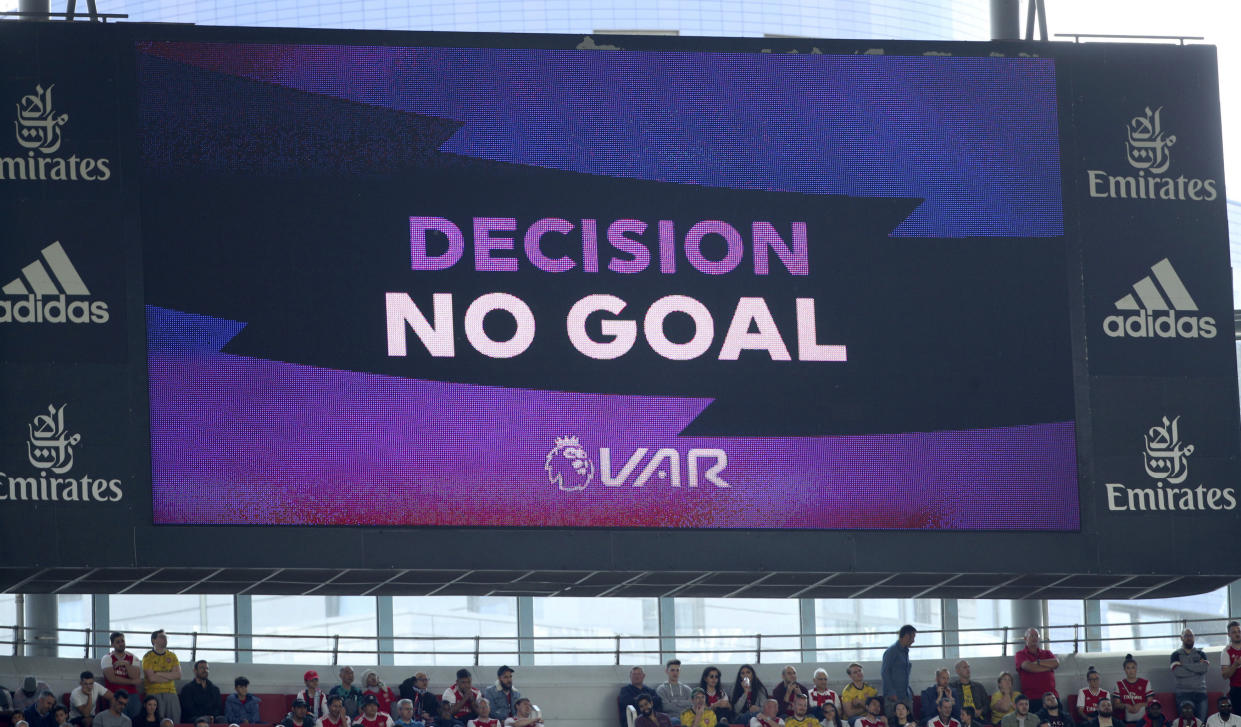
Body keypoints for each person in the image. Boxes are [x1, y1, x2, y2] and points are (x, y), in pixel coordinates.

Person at [142, 630, 182, 725]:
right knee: (158, 721)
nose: (165, 639)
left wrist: (159, 673)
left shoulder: (172, 655)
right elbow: (152, 678)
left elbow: (178, 675)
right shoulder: (148, 657)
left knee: (174, 720)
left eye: (166, 637)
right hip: (154, 692)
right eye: (161, 637)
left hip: (171, 692)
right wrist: (170, 675)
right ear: (153, 640)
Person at [1171, 629, 1210, 722]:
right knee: (1185, 723)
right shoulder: (1175, 655)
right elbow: (1177, 672)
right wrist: (1197, 668)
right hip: (1183, 694)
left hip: (1201, 694)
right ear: (1181, 638)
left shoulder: (1201, 654)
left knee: (1201, 723)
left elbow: (1204, 668)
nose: (1189, 638)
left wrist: (1183, 665)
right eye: (1186, 636)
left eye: (1191, 636)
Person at [103, 634, 144, 719]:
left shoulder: (133, 658)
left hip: (132, 694)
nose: (121, 643)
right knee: (119, 721)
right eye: (118, 642)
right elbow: (112, 678)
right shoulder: (107, 658)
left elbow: (135, 676)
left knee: (137, 720)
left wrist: (126, 664)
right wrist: (132, 682)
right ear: (112, 644)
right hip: (115, 694)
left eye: (122, 641)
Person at [1015, 629, 1059, 703]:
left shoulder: (1047, 653)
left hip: (1051, 696)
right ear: (1025, 638)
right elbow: (1029, 667)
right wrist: (1048, 667)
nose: (1034, 638)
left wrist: (1038, 662)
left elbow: (1056, 663)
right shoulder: (1020, 654)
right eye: (1032, 635)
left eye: (1036, 636)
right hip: (1032, 698)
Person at [883, 626, 917, 721]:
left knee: (909, 721)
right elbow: (885, 672)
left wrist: (909, 689)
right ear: (906, 636)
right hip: (893, 696)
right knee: (893, 721)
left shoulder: (905, 651)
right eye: (912, 637)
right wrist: (891, 692)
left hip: (906, 695)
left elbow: (904, 673)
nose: (913, 641)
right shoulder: (891, 651)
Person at [951, 660, 991, 725]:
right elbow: (949, 706)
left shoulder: (979, 687)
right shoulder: (952, 687)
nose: (968, 669)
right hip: (961, 719)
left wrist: (980, 711)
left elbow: (987, 705)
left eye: (968, 667)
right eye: (965, 667)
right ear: (958, 671)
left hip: (977, 719)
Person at [1116, 655, 1152, 725]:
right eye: (1128, 668)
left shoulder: (1145, 683)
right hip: (1125, 720)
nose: (1131, 671)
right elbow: (1116, 705)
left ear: (1136, 668)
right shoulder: (1119, 684)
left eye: (1133, 667)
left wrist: (1140, 705)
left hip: (1143, 720)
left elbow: (1150, 703)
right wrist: (1126, 705)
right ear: (1124, 669)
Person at [658, 660, 695, 725]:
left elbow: (693, 704)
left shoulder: (687, 689)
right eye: (672, 670)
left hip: (689, 717)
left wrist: (674, 702)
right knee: (676, 721)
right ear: (667, 671)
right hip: (672, 719)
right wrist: (684, 702)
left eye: (677, 670)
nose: (675, 673)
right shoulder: (661, 689)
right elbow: (665, 707)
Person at [1224, 623, 1241, 711]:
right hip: (1237, 690)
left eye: (1239, 631)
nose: (1237, 634)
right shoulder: (1226, 651)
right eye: (1234, 632)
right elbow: (1224, 675)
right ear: (1229, 634)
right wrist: (1235, 665)